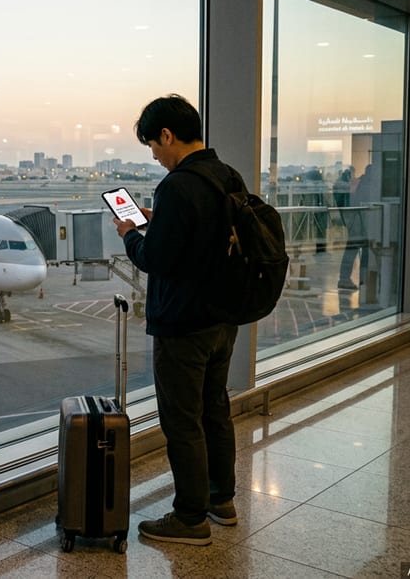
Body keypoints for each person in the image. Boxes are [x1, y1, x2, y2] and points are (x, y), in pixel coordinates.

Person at [113, 94, 238, 547]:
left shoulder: (178, 185)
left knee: (183, 421)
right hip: (224, 320)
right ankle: (221, 500)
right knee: (215, 411)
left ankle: (189, 518)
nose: (155, 156)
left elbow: (156, 258)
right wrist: (156, 218)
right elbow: (201, 235)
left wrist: (131, 234)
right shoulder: (225, 175)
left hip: (183, 325)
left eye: (153, 146)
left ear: (167, 135)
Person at [339, 163, 377, 291]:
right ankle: (363, 281)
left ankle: (345, 279)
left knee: (351, 251)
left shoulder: (358, 182)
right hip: (362, 223)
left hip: (355, 222)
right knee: (364, 253)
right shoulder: (369, 185)